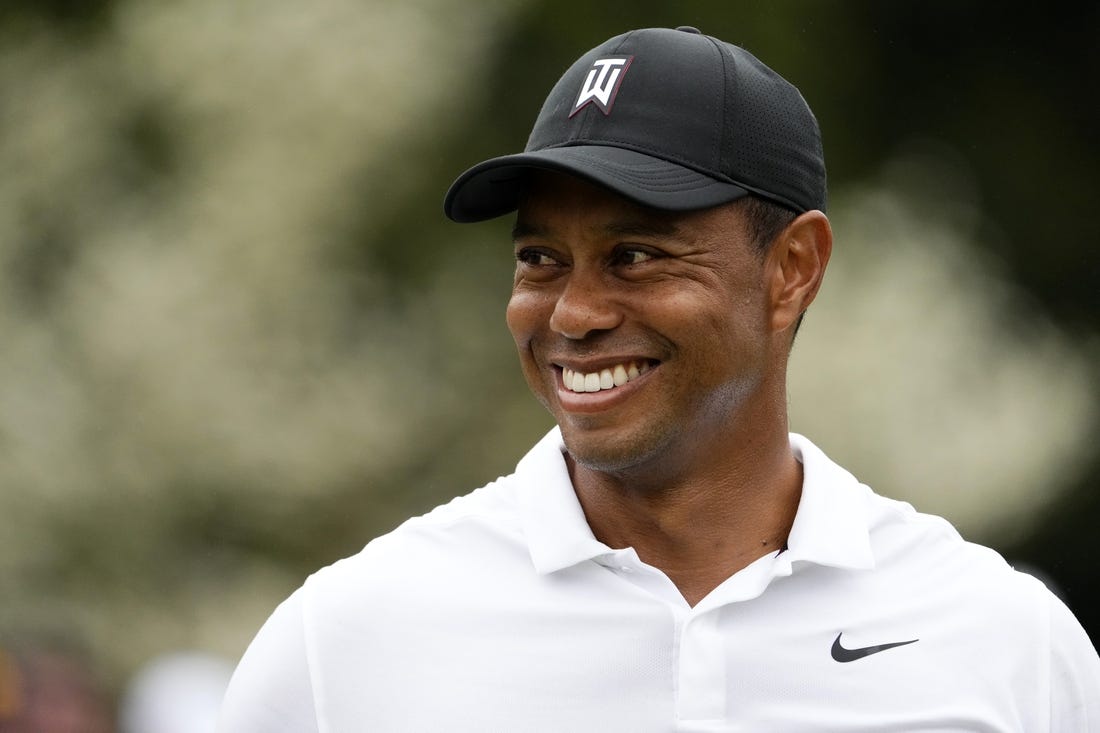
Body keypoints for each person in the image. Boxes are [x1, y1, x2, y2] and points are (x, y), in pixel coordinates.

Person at [219, 26, 1100, 731]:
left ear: (792, 268)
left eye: (634, 255)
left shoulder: (1004, 641)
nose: (571, 313)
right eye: (540, 258)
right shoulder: (345, 641)